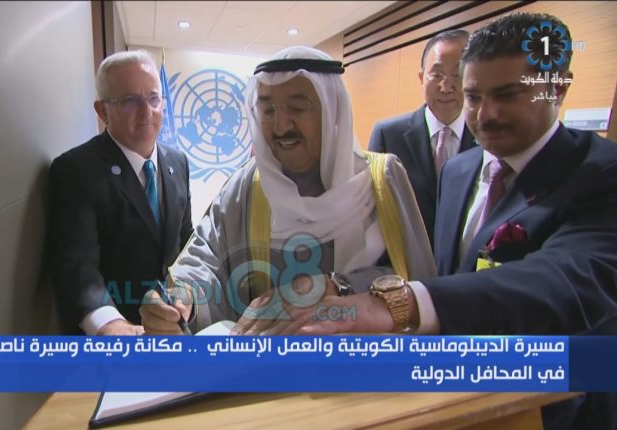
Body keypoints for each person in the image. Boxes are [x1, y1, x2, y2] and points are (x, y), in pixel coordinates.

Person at [231, 13, 617, 430]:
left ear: (557, 88)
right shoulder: (459, 171)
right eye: (473, 96)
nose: (485, 114)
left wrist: (394, 305)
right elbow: (439, 273)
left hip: (559, 407)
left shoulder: (601, 173)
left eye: (507, 95)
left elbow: (563, 280)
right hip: (453, 399)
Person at [139, 46, 436, 335]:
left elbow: (417, 285)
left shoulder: (381, 179)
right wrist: (184, 299)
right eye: (268, 110)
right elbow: (206, 260)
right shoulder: (248, 184)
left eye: (297, 107)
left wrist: (337, 285)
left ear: (332, 110)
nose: (280, 126)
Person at [48, 50, 193, 335]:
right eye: (130, 100)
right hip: (117, 338)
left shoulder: (178, 162)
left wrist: (187, 293)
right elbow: (78, 264)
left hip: (173, 329)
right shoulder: (76, 170)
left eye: (153, 98)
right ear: (102, 111)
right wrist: (108, 323)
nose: (146, 111)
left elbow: (186, 242)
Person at [369, 29, 476, 247]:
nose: (446, 87)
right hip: (403, 260)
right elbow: (372, 210)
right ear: (421, 78)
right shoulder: (387, 134)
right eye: (437, 75)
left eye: (458, 74)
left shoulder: (487, 138)